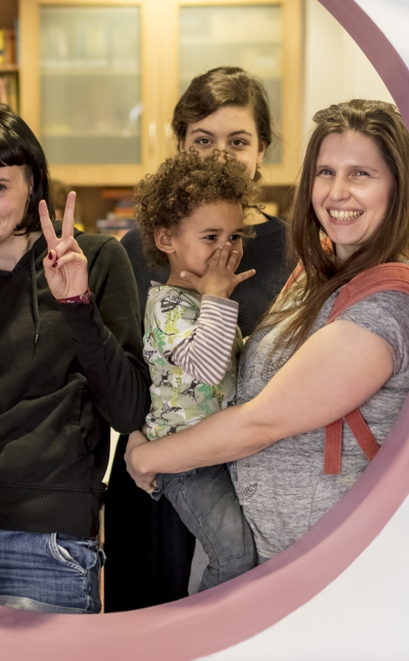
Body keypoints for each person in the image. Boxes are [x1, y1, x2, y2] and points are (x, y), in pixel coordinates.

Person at [125, 99, 409, 573]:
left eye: (361, 174)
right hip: (265, 552)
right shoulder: (319, 269)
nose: (337, 192)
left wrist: (149, 457)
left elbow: (260, 422)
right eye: (326, 172)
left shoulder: (388, 303)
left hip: (321, 565)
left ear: (398, 186)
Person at [0, 107, 150, 614]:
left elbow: (127, 411)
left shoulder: (97, 258)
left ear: (33, 182)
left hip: (42, 543)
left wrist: (78, 306)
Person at [106, 65, 293, 610]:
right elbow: (111, 368)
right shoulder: (139, 251)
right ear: (180, 146)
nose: (219, 155)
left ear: (262, 151)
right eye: (202, 140)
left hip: (250, 479)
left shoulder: (294, 250)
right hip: (155, 480)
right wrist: (136, 443)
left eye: (238, 141)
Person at [132, 150, 259, 592]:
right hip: (185, 460)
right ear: (167, 238)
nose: (228, 250)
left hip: (220, 450)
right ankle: (202, 635)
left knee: (228, 551)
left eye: (236, 236)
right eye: (211, 237)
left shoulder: (203, 303)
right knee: (235, 555)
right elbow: (206, 366)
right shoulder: (167, 306)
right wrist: (220, 298)